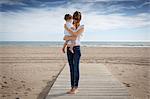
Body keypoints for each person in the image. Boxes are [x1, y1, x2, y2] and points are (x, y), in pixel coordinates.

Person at [63, 11, 84, 94]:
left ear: (80, 19)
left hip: (76, 49)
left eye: (77, 19)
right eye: (74, 18)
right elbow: (65, 38)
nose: (75, 20)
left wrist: (68, 30)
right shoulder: (70, 25)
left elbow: (75, 35)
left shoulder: (82, 27)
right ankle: (72, 87)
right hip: (69, 49)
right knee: (71, 69)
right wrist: (64, 45)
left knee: (75, 68)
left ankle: (76, 87)